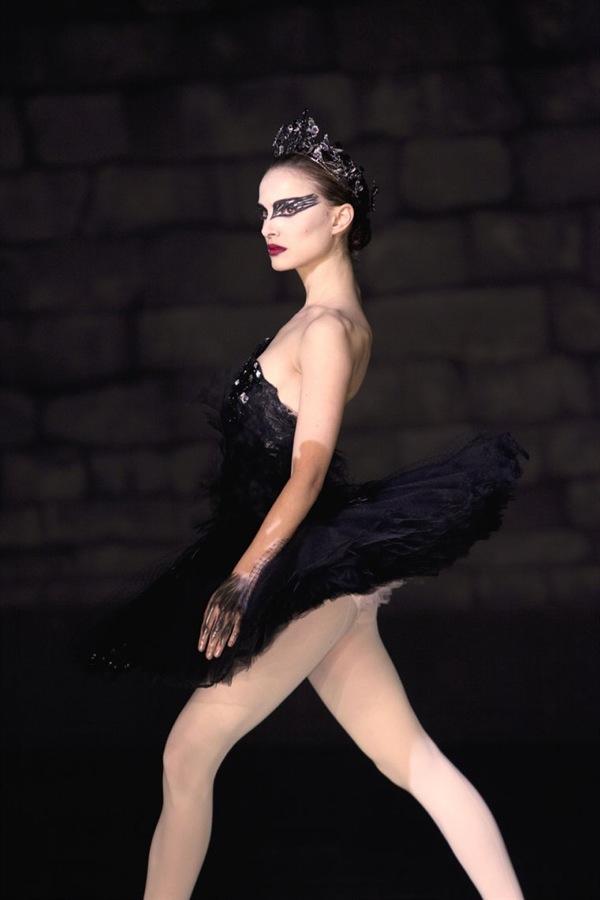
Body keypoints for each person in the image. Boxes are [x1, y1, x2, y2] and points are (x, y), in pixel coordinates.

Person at [80, 109, 527, 899]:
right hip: (316, 570)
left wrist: (246, 577)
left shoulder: (326, 328)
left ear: (340, 217)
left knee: (188, 755)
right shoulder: (319, 320)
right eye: (263, 210)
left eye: (289, 206)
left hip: (302, 572)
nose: (269, 225)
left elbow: (309, 469)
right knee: (411, 759)